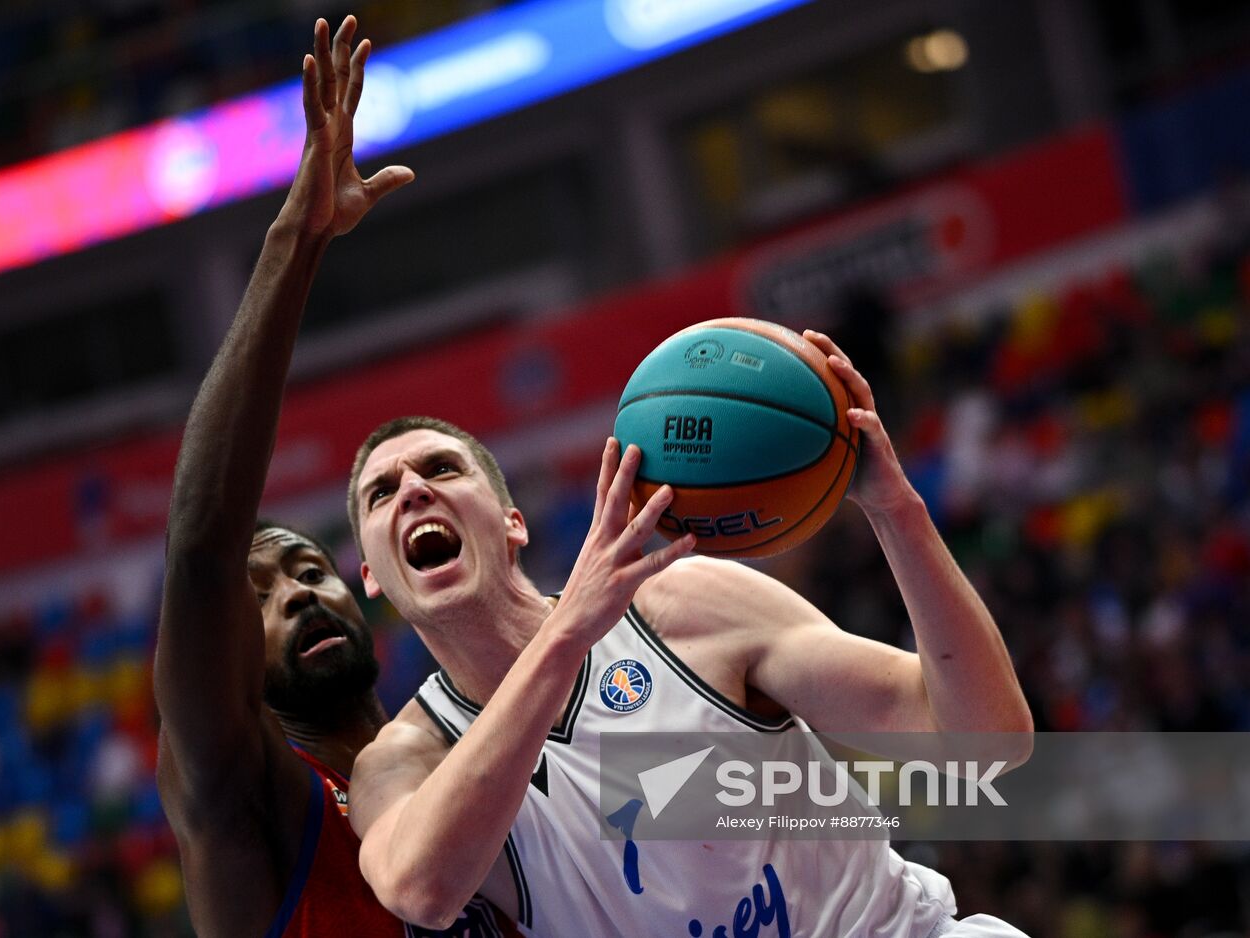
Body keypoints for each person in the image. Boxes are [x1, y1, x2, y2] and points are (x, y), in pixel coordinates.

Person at [344, 378, 1035, 932]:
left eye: (440, 468)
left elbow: (986, 743)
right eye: (383, 493)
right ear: (371, 575)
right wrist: (565, 637)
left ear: (511, 523)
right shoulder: (404, 760)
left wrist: (896, 511)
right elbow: (421, 890)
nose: (413, 489)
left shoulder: (680, 609)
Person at [152, 17, 516, 937]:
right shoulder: (252, 800)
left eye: (308, 569)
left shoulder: (478, 749)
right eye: (263, 596)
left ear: (367, 587)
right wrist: (298, 239)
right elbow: (201, 548)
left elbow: (743, 815)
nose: (296, 598)